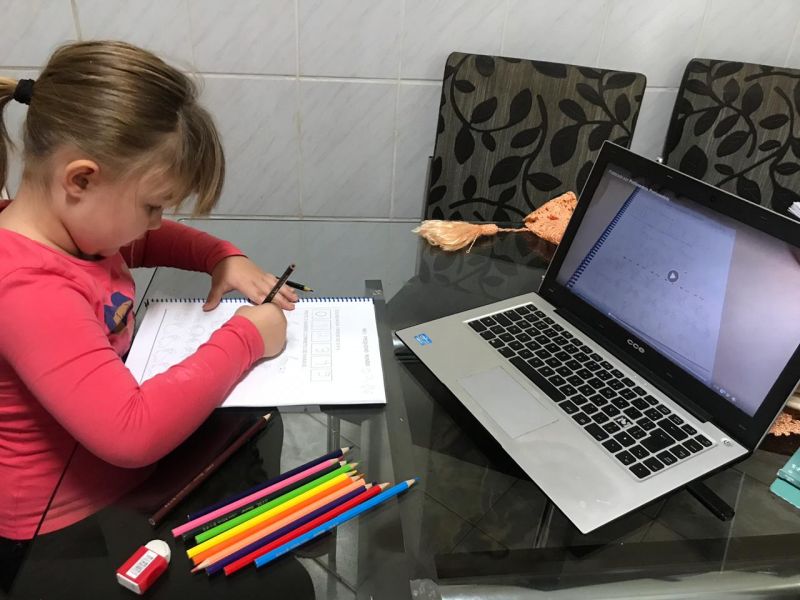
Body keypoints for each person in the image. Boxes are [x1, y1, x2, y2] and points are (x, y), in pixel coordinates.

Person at [0, 40, 297, 541]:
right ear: (80, 180)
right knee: (282, 575)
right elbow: (131, 434)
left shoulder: (75, 232)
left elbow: (138, 243)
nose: (156, 223)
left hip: (116, 478)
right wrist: (246, 337)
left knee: (256, 428)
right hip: (70, 526)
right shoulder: (26, 288)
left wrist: (219, 255)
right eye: (152, 207)